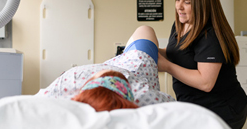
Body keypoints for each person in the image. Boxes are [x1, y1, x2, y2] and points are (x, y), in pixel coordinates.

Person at [158, 0, 247, 129]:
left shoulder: (210, 34)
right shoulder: (181, 24)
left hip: (222, 109)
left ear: (201, 3)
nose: (179, 7)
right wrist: (152, 52)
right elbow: (177, 54)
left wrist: (167, 67)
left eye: (187, 2)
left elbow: (206, 82)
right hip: (196, 107)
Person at [37, 25, 175, 110]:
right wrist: (169, 66)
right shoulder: (142, 95)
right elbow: (179, 107)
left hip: (84, 74)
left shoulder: (65, 86)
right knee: (145, 30)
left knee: (144, 30)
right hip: (136, 63)